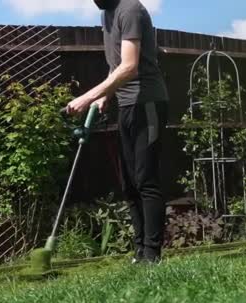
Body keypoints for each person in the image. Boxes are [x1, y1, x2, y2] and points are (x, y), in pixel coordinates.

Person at [66, 0, 169, 264]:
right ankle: (139, 252)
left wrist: (88, 97)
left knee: (146, 179)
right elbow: (115, 63)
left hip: (147, 102)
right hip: (125, 103)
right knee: (129, 183)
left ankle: (152, 254)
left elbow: (129, 66)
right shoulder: (107, 14)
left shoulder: (130, 10)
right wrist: (106, 97)